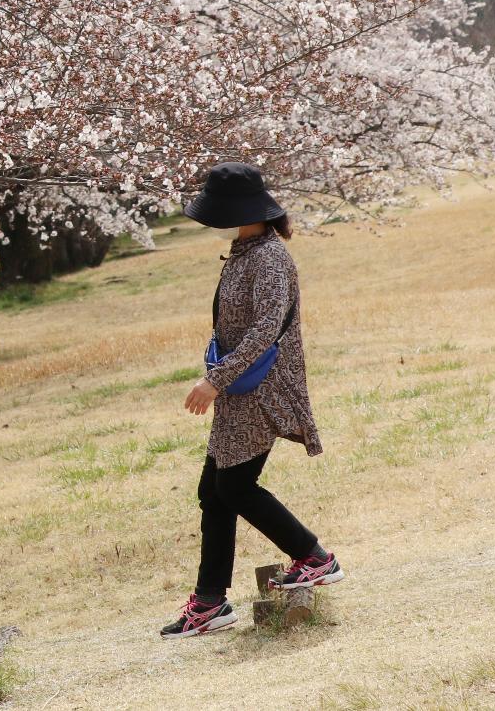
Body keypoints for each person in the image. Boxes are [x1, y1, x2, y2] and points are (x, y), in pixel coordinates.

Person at [162, 162, 342, 639]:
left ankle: (315, 558)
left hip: (261, 391)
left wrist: (215, 381)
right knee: (214, 493)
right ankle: (211, 602)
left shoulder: (269, 258)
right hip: (240, 392)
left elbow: (266, 329)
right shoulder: (246, 251)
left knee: (234, 489)